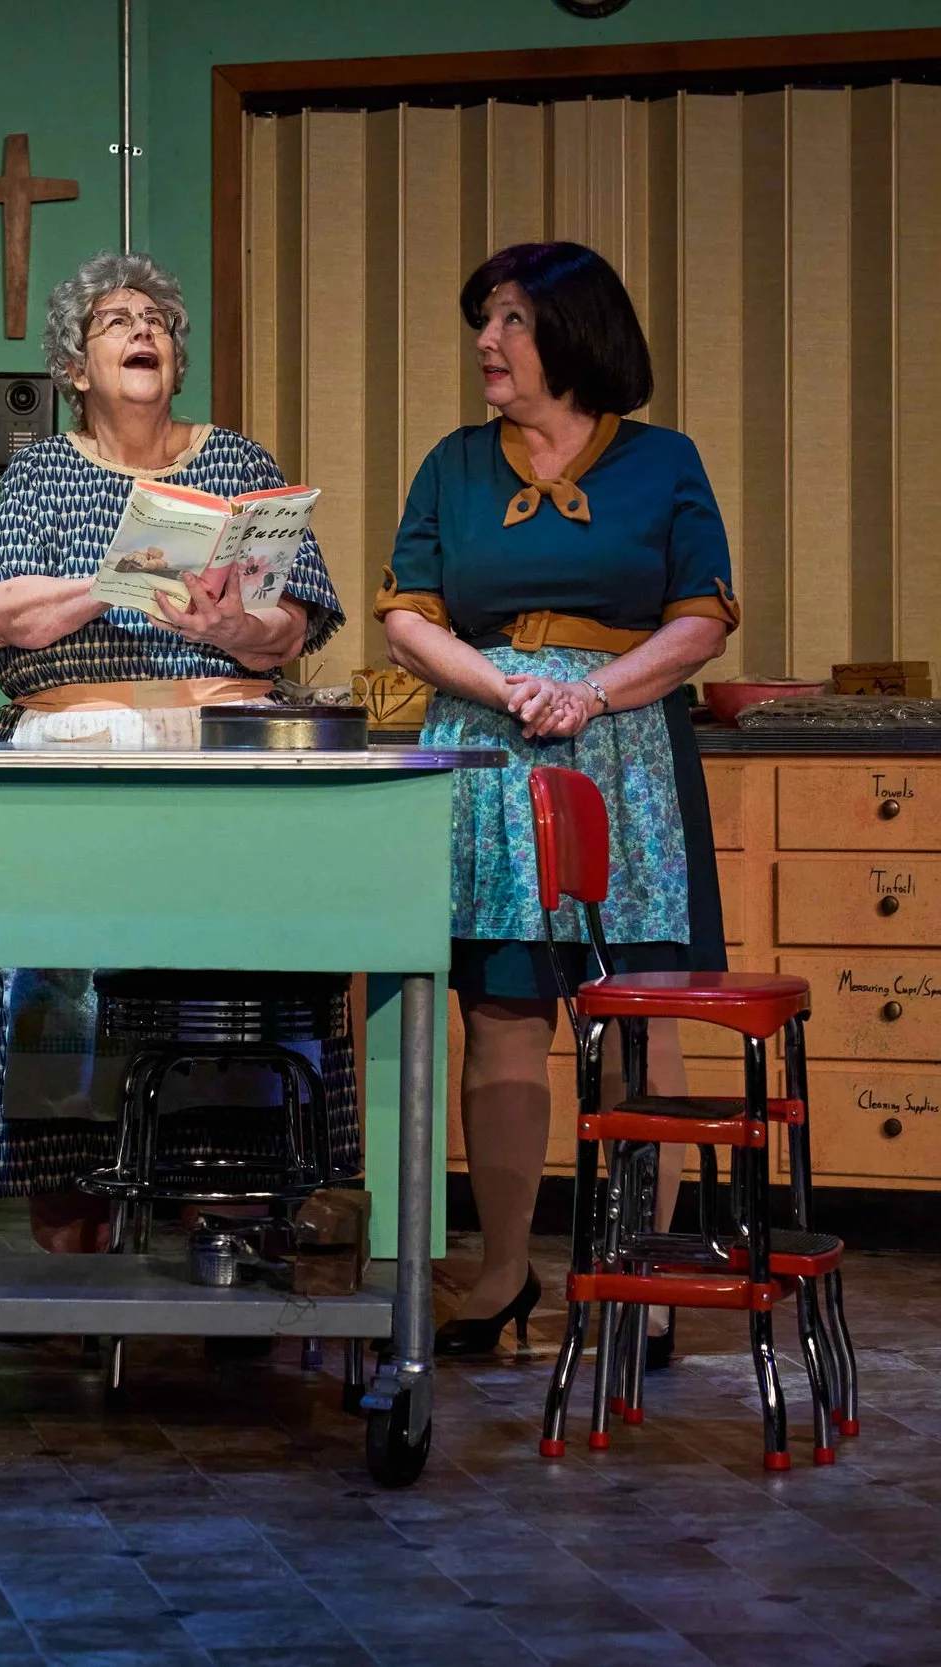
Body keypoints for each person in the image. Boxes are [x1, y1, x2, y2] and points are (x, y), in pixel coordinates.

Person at [377, 242, 737, 1358]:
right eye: (482, 320)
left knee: (637, 1028)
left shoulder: (663, 461)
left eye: (511, 322)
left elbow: (704, 615)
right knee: (498, 1018)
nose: (486, 342)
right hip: (488, 746)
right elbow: (407, 611)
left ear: (573, 335)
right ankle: (497, 1273)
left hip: (623, 755)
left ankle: (634, 1275)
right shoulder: (452, 463)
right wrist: (507, 688)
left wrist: (593, 696)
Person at [0, 251, 347, 1248]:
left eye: (159, 322)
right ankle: (69, 1184)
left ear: (175, 358)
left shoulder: (238, 464)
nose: (144, 332)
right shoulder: (44, 468)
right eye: (116, 321)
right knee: (60, 971)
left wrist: (226, 623)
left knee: (233, 947)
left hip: (221, 725)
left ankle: (229, 1173)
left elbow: (293, 628)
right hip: (79, 727)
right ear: (76, 368)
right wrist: (123, 573)